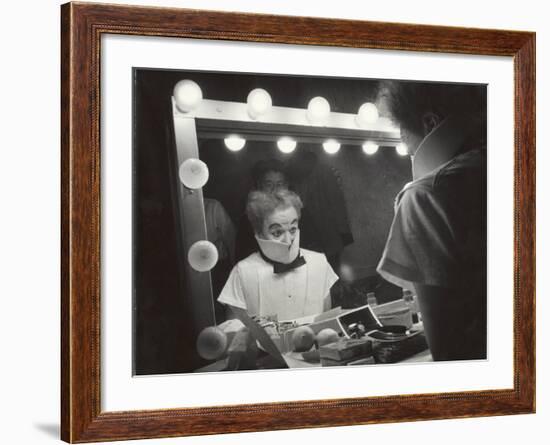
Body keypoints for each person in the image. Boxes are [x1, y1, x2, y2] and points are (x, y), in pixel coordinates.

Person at [376, 81, 487, 361]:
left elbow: (448, 350)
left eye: (403, 134)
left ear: (430, 122)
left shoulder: (425, 197)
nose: (406, 148)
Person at [218, 189, 339, 321]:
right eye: (277, 233)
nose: (288, 241)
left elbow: (328, 324)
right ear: (259, 232)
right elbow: (234, 332)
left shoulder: (318, 263)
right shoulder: (243, 272)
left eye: (293, 229)